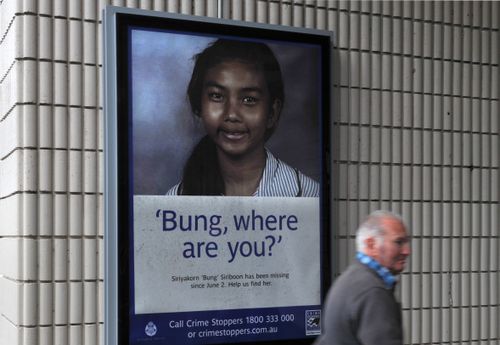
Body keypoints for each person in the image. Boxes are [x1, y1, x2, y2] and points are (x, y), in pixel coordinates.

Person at [166, 39, 319, 197]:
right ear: (199, 105)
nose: (232, 114)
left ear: (272, 112)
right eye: (217, 96)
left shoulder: (310, 195)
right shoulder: (175, 199)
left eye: (249, 99)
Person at [314, 210, 411, 345]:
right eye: (398, 242)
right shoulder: (373, 292)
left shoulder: (351, 279)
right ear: (371, 244)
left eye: (406, 242)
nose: (407, 251)